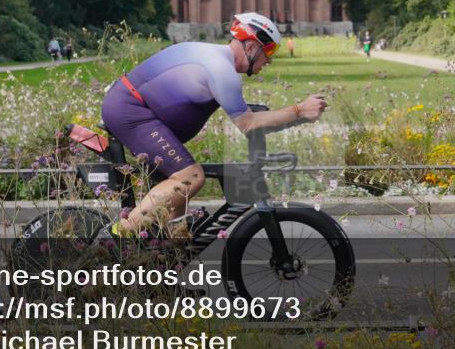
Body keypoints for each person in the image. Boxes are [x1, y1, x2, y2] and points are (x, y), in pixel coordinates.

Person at [101, 12, 327, 235]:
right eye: (268, 52)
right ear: (251, 47)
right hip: (130, 110)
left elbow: (251, 118)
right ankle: (119, 235)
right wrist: (298, 110)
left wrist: (295, 117)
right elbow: (248, 123)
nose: (269, 60)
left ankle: (157, 258)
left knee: (177, 227)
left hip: (135, 108)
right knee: (191, 177)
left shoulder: (218, 60)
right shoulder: (220, 69)